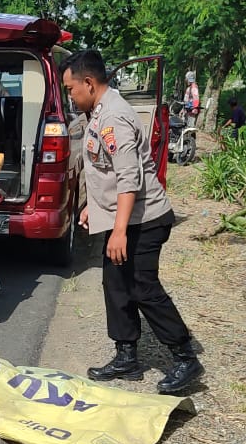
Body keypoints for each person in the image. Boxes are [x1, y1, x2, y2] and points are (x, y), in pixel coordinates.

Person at [61, 49, 204, 396]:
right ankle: (126, 356)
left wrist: (120, 231)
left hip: (145, 219)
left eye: (70, 89)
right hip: (125, 217)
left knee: (142, 287)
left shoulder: (114, 118)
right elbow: (105, 172)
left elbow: (128, 179)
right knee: (115, 284)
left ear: (88, 83)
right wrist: (93, 208)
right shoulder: (98, 112)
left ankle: (185, 357)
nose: (70, 96)